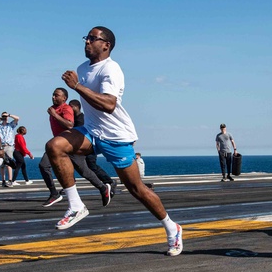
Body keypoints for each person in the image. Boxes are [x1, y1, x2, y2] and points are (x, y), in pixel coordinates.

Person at [46, 26, 183, 256]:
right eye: (86, 38)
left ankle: (172, 227)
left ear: (106, 45)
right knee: (54, 146)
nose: (87, 42)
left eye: (92, 38)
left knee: (137, 189)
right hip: (91, 131)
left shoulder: (112, 69)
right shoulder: (82, 68)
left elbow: (109, 105)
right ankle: (76, 205)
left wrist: (76, 86)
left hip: (115, 136)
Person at [38, 88, 112, 207]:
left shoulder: (66, 109)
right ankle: (54, 193)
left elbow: (69, 124)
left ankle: (103, 188)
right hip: (57, 147)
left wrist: (54, 115)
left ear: (64, 98)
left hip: (69, 144)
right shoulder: (54, 109)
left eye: (56, 95)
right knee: (43, 165)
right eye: (53, 95)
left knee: (84, 171)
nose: (53, 97)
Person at [70, 99, 115, 189]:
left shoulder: (81, 119)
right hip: (83, 148)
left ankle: (109, 181)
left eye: (71, 106)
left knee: (92, 166)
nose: (69, 109)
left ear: (77, 107)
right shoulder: (75, 120)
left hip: (89, 147)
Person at [0, 112, 20, 187]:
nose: (4, 118)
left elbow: (17, 118)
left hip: (9, 146)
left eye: (5, 116)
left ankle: (10, 180)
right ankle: (3, 180)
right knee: (1, 164)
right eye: (3, 116)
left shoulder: (10, 125)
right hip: (1, 146)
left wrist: (9, 115)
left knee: (9, 163)